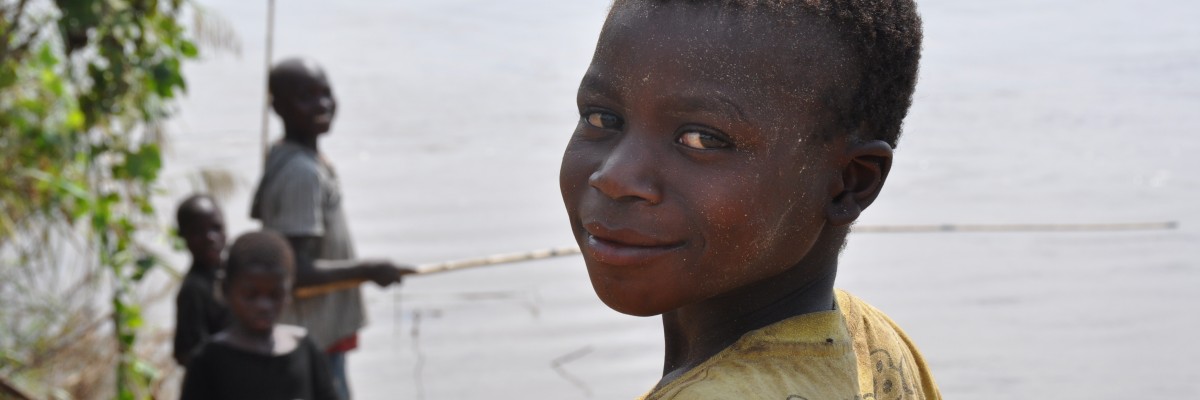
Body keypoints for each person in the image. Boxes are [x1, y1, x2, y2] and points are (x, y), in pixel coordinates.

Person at [558, 1, 940, 399]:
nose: (615, 178)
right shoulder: (875, 343)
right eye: (601, 118)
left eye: (703, 139)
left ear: (849, 182)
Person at [250, 57, 412, 400]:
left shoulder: (292, 156)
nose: (322, 104)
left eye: (326, 93)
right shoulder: (302, 173)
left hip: (317, 336)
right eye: (306, 96)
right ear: (277, 106)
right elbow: (295, 271)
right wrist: (369, 270)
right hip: (312, 338)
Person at [180, 231, 338, 400]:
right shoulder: (208, 360)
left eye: (275, 295)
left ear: (289, 293)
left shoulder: (305, 349)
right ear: (226, 290)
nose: (264, 306)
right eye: (250, 295)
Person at [172, 194, 230, 366]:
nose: (210, 237)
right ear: (183, 236)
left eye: (216, 228)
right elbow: (186, 353)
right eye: (198, 231)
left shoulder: (234, 274)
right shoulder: (194, 289)